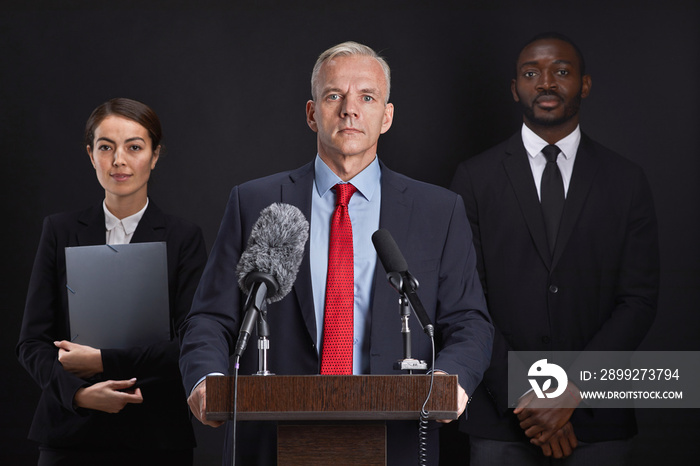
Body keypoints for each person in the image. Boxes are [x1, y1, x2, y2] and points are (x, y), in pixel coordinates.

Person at [179, 41, 494, 465]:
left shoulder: (438, 211)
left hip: (398, 437)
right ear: (312, 113)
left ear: (386, 116)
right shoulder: (254, 202)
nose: (350, 109)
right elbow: (210, 317)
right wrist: (206, 379)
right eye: (334, 96)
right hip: (272, 442)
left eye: (366, 97)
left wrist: (449, 381)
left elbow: (469, 321)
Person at [450, 32, 659, 465]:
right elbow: (468, 301)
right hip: (503, 419)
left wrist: (572, 393)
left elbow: (637, 301)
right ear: (515, 89)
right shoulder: (473, 179)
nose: (546, 83)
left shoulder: (626, 180)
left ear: (584, 84)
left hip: (598, 420)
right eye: (531, 74)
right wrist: (529, 401)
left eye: (561, 72)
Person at [17, 98, 207, 466]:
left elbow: (188, 344)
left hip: (156, 435)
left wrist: (102, 361)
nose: (119, 160)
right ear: (91, 155)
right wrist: (78, 395)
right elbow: (31, 343)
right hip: (69, 433)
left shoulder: (184, 237)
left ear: (154, 156)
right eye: (106, 147)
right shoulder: (59, 230)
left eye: (134, 147)